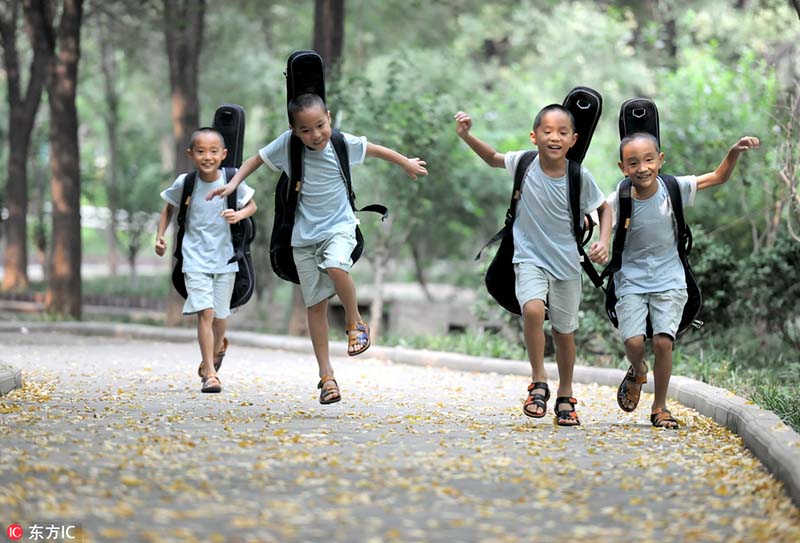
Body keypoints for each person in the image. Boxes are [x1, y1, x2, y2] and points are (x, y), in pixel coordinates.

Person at [208, 93, 427, 405]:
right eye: (306, 129)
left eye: (321, 125)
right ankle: (327, 377)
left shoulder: (340, 142)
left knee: (337, 266)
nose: (316, 134)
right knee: (315, 307)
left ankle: (355, 322)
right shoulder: (287, 144)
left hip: (340, 226)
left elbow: (374, 149)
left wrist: (405, 163)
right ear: (294, 129)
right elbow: (255, 159)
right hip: (303, 238)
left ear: (329, 117)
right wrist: (232, 185)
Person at [454, 105, 611, 426]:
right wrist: (467, 135)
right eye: (547, 131)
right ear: (534, 135)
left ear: (573, 139)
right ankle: (538, 381)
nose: (554, 137)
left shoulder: (579, 176)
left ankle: (566, 394)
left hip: (567, 265)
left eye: (562, 132)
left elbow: (605, 210)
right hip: (528, 259)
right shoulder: (524, 163)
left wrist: (604, 241)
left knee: (564, 333)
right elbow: (492, 157)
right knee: (533, 310)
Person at [610, 132, 760, 428]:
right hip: (630, 280)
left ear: (660, 160)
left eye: (649, 159)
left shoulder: (673, 188)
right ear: (623, 167)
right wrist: (598, 241)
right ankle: (638, 369)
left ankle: (660, 407)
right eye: (634, 162)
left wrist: (734, 152)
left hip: (670, 278)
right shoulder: (620, 197)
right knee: (634, 342)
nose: (642, 168)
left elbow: (717, 177)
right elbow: (597, 215)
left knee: (664, 342)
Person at [155, 127, 257, 393]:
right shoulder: (185, 183)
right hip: (194, 259)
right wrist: (159, 236)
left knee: (221, 316)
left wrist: (239, 215)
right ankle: (209, 371)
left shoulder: (232, 180)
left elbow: (252, 205)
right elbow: (168, 207)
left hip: (225, 259)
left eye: (213, 151)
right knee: (206, 313)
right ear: (191, 154)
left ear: (223, 154)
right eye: (200, 151)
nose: (207, 156)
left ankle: (219, 345)